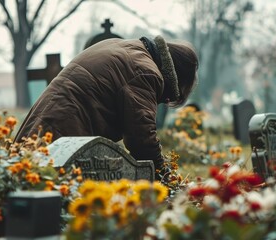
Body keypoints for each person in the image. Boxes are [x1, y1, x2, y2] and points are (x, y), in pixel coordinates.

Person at [14, 36, 199, 179]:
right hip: (65, 131)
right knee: (40, 189)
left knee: (22, 177)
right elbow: (142, 140)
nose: (162, 101)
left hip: (48, 121)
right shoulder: (145, 72)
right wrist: (167, 179)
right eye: (167, 98)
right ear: (174, 78)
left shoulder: (125, 47)